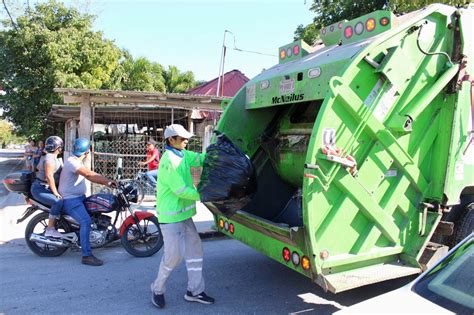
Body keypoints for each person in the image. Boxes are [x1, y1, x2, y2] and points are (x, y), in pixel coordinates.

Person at [150, 124, 214, 308]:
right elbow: (179, 190)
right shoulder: (168, 160)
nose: (186, 141)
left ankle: (195, 291)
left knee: (195, 251)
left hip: (184, 215)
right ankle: (157, 289)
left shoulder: (183, 154)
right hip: (170, 217)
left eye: (187, 138)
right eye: (182, 138)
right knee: (173, 257)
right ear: (171, 140)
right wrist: (204, 194)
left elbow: (200, 159)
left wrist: (215, 153)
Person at [58, 137, 117, 266]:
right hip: (70, 200)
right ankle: (86, 255)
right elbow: (89, 175)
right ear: (87, 151)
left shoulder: (75, 160)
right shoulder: (73, 162)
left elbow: (90, 172)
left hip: (79, 197)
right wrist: (107, 182)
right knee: (86, 221)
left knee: (96, 212)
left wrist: (105, 179)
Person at [30, 136, 64, 238]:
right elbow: (49, 176)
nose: (61, 149)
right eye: (60, 147)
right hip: (40, 188)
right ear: (58, 147)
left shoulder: (52, 156)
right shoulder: (49, 158)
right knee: (57, 201)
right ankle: (50, 229)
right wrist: (55, 193)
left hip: (43, 187)